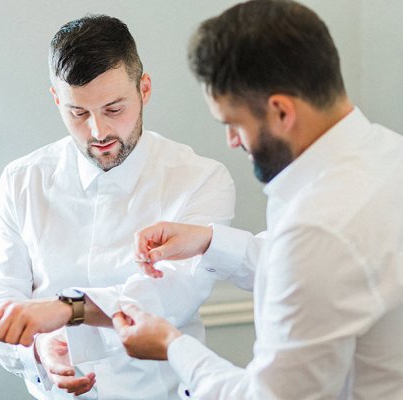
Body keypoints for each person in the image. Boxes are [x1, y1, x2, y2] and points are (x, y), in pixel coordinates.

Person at [112, 0, 403, 399]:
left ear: (282, 111)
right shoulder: (388, 154)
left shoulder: (316, 231)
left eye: (234, 123)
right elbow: (328, 276)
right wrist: (208, 241)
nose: (231, 142)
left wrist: (172, 347)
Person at [0, 14, 237, 400]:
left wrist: (67, 311)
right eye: (78, 113)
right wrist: (35, 347)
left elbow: (168, 300)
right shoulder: (21, 182)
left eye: (114, 109)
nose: (98, 133)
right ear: (56, 99)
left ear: (144, 89)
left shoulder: (201, 180)